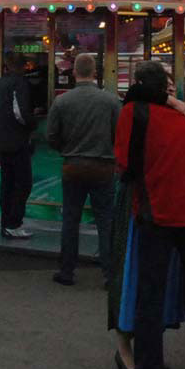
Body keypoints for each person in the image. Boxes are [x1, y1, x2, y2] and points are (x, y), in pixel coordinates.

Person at [114, 61, 185, 369]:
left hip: (158, 210)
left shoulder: (134, 112)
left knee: (151, 293)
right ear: (167, 87)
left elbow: (124, 163)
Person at [46, 52, 120, 287]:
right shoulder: (110, 101)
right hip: (103, 167)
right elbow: (120, 134)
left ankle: (67, 271)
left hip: (73, 166)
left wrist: (66, 149)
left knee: (70, 219)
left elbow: (51, 136)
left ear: (74, 72)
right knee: (105, 220)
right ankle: (110, 274)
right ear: (95, 73)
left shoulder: (62, 101)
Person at [0, 52, 36, 239]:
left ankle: (5, 222)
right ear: (23, 66)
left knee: (7, 184)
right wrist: (33, 122)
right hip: (17, 140)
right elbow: (20, 113)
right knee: (23, 183)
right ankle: (14, 223)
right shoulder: (19, 83)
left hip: (1, 140)